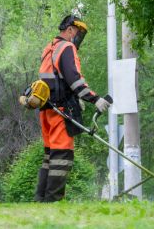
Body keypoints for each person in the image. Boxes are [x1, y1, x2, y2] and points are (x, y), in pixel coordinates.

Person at [35, 15, 111, 202]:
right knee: (62, 156)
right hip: (60, 111)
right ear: (69, 30)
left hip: (46, 110)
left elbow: (54, 78)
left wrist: (77, 97)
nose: (77, 38)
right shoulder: (66, 47)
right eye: (77, 33)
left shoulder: (49, 47)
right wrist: (95, 99)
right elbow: (74, 80)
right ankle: (52, 201)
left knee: (49, 157)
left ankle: (40, 200)